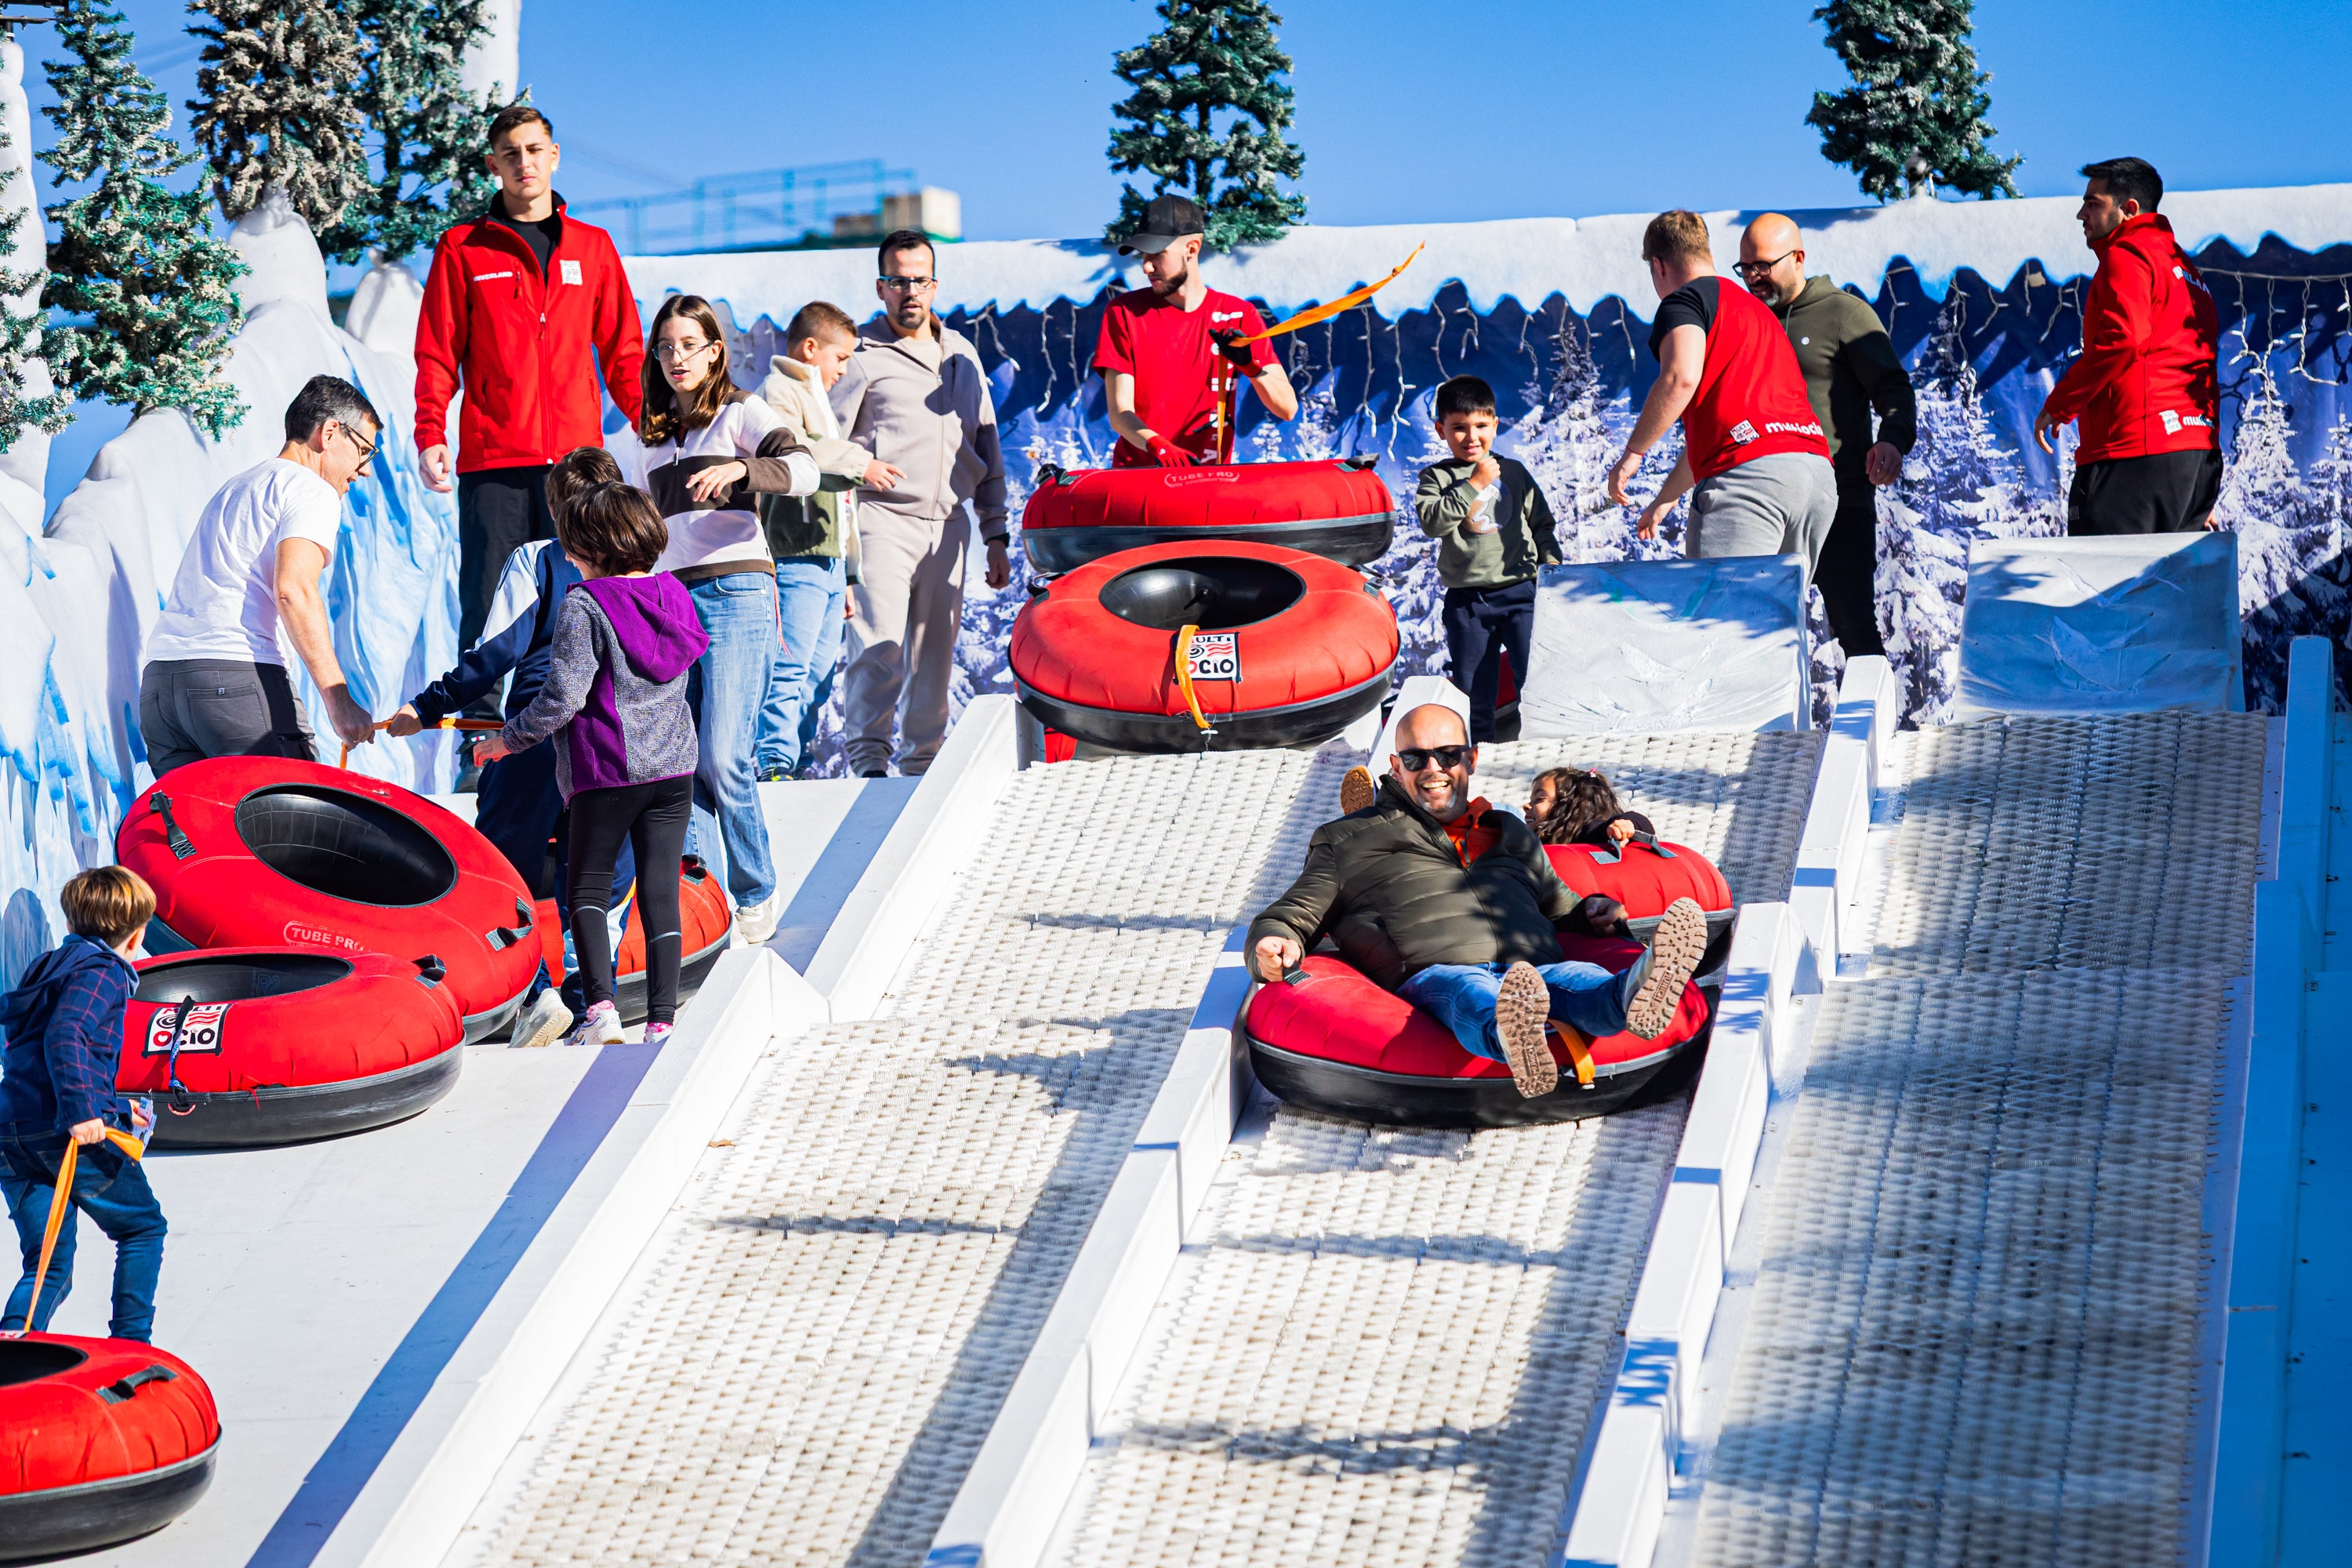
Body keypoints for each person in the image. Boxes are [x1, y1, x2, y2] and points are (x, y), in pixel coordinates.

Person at [1248, 704, 1708, 1099]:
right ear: (1395, 765)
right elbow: (1293, 914)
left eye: (1447, 754)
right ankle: (1517, 1040)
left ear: (1470, 758)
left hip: (1533, 966)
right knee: (1472, 995)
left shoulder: (1507, 830)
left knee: (1582, 978)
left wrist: (1597, 913)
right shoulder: (1347, 839)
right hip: (1434, 971)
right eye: (1416, 757)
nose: (1433, 767)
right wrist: (1272, 943)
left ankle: (1637, 994)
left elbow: (1560, 904)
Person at [387, 445, 637, 1050]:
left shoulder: (538, 558)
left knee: (503, 868)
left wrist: (425, 707)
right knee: (603, 871)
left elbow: (495, 650)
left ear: (554, 509)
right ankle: (592, 999)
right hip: (615, 739)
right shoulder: (642, 568)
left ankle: (534, 992)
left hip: (533, 735)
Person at [413, 102, 646, 701]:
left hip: (579, 468)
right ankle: (480, 743)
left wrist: (654, 421)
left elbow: (624, 350)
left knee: (588, 596)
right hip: (495, 461)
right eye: (511, 153)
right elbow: (437, 351)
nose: (525, 163)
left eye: (535, 150)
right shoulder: (463, 248)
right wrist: (431, 431)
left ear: (554, 157)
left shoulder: (593, 248)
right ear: (494, 164)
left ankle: (583, 726)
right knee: (489, 600)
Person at [477, 484, 709, 1047]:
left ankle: (599, 1014)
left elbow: (563, 697)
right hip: (673, 768)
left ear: (597, 544)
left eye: (574, 543)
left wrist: (505, 742)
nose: (568, 553)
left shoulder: (585, 602)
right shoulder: (673, 592)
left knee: (585, 890)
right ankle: (661, 1021)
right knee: (657, 891)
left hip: (606, 769)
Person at [638, 295, 819, 946]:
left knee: (723, 754)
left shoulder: (741, 413)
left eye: (689, 344)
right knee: (681, 763)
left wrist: (743, 467)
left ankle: (756, 890)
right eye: (665, 347)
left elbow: (804, 468)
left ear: (715, 350)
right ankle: (705, 902)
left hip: (738, 590)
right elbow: (644, 532)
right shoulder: (650, 438)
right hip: (670, 603)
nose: (676, 357)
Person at [830, 229, 1011, 778]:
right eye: (898, 280)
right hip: (880, 519)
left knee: (933, 663)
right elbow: (825, 443)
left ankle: (920, 774)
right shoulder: (858, 355)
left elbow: (987, 446)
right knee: (879, 650)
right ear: (881, 287)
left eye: (920, 280)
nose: (910, 291)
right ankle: (867, 767)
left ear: (935, 285)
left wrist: (996, 533)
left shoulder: (962, 355)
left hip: (950, 527)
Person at [138, 376, 382, 777]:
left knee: (202, 837)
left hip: (164, 688)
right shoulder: (310, 488)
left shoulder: (238, 485)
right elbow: (294, 590)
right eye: (365, 451)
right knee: (294, 830)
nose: (363, 471)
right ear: (331, 432)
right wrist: (339, 700)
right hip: (235, 680)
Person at [1607, 210, 1836, 573]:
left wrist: (1633, 453)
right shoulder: (1759, 312)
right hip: (1814, 477)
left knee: (1721, 621)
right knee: (1774, 622)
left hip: (1751, 480)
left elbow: (1680, 377)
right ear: (1709, 256)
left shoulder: (1685, 301)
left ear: (1659, 266)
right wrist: (1665, 501)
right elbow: (1727, 437)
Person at [1737, 214, 1917, 658]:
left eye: (1763, 265)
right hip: (1767, 502)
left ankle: (1876, 727)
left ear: (1798, 258)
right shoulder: (1744, 322)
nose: (1753, 277)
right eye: (1744, 268)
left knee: (1853, 624)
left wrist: (1893, 439)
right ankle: (1773, 730)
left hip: (1841, 499)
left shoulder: (1843, 313)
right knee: (1758, 630)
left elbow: (1893, 387)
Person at [0, 868, 167, 1341]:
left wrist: (112, 1106)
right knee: (141, 1229)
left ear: (72, 922)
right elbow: (66, 1034)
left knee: (48, 1262)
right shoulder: (104, 972)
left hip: (12, 1130)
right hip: (60, 1131)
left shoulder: (47, 965)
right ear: (135, 936)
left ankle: (15, 1349)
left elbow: (35, 1053)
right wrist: (83, 1113)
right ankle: (132, 1344)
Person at [2034, 158, 2223, 534]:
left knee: (2108, 588)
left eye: (2093, 203)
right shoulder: (2186, 269)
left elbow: (2123, 341)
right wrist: (2183, 487)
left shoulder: (2129, 251)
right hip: (2196, 460)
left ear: (2129, 210)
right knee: (2170, 591)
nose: (2080, 214)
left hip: (2133, 456)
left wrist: (2059, 405)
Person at [755, 301, 901, 781]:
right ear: (811, 348)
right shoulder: (779, 392)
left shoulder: (815, 396)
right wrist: (861, 463)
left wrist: (849, 576)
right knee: (790, 667)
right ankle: (773, 761)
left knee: (817, 676)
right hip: (796, 555)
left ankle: (792, 759)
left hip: (829, 563)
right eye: (841, 358)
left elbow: (839, 506)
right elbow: (796, 451)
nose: (844, 369)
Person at [1095, 193, 1301, 466]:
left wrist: (1250, 366)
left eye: (1157, 254)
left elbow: (1287, 408)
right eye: (1144, 254)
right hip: (1138, 481)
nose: (1146, 266)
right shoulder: (1124, 312)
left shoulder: (1239, 315)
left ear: (1192, 249)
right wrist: (1158, 445)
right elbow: (1120, 412)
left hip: (1208, 486)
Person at [1415, 375, 1562, 744]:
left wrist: (1552, 563)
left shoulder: (1513, 472)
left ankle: (1543, 751)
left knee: (1536, 679)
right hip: (1469, 602)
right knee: (1473, 691)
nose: (1471, 436)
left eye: (1481, 425)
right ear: (1440, 430)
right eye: (1459, 427)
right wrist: (1474, 484)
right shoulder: (1436, 477)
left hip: (1521, 594)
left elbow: (1540, 523)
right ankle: (1476, 756)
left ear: (1495, 425)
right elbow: (1433, 522)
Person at [1526, 765, 1653, 849]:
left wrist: (1622, 825)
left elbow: (1640, 822)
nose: (1526, 806)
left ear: (1569, 806)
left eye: (1539, 799)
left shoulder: (1583, 834)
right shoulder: (1531, 842)